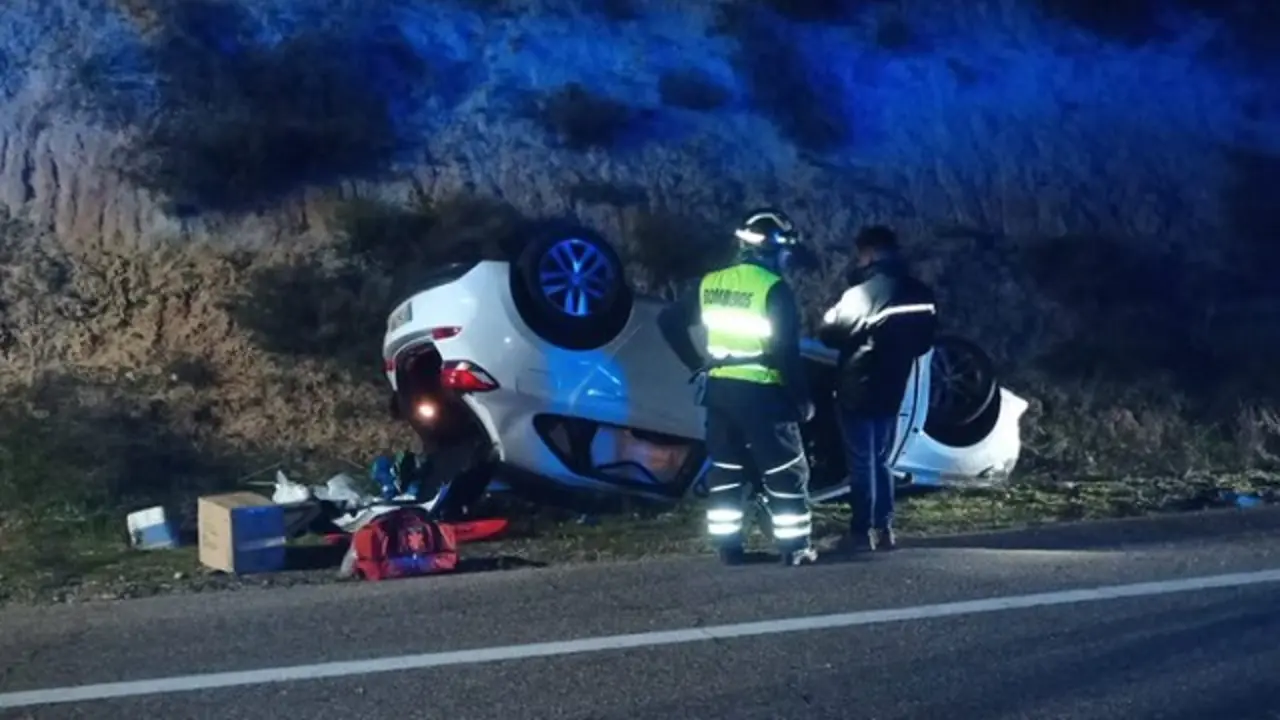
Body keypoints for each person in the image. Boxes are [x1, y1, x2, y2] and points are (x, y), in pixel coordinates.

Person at [657, 208, 818, 567]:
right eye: (786, 251)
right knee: (785, 469)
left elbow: (667, 320)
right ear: (773, 250)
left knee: (726, 471)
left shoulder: (712, 283)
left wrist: (696, 363)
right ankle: (795, 546)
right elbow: (785, 354)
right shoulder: (773, 289)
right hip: (762, 395)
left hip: (720, 393)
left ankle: (729, 548)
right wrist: (802, 400)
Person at [817, 225, 937, 552]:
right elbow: (925, 343)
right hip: (893, 386)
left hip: (857, 387)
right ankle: (884, 529)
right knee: (883, 460)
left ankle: (861, 532)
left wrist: (830, 317)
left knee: (861, 462)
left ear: (868, 253)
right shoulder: (921, 294)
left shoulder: (863, 294)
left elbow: (830, 333)